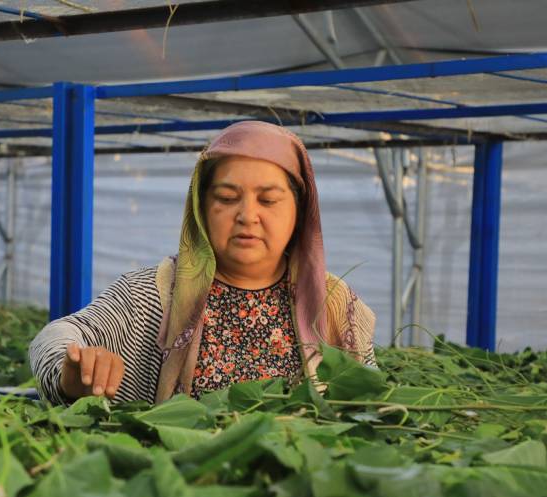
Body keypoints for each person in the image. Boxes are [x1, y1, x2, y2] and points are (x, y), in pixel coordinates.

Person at [28, 120, 378, 405]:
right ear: (201, 206)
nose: (247, 216)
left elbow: (369, 401)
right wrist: (70, 373)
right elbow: (55, 336)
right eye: (227, 198)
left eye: (268, 200)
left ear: (299, 211)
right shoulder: (154, 294)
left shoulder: (333, 303)